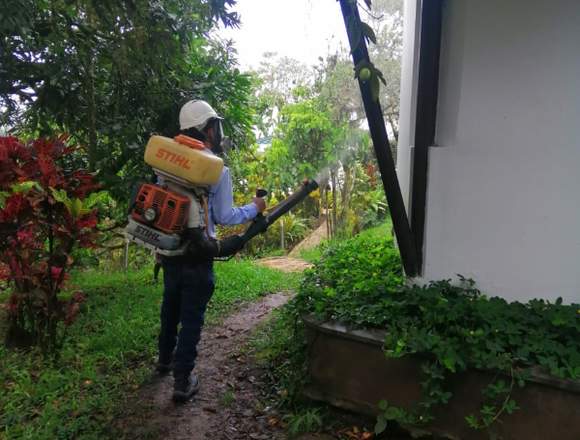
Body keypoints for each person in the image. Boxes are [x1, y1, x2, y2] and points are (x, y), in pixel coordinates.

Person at [156, 100, 266, 402]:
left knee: (170, 307)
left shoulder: (165, 159)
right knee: (191, 316)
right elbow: (224, 216)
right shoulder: (215, 167)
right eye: (215, 126)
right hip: (198, 255)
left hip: (169, 250)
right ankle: (182, 381)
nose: (218, 132)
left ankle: (164, 361)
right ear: (207, 129)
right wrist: (254, 208)